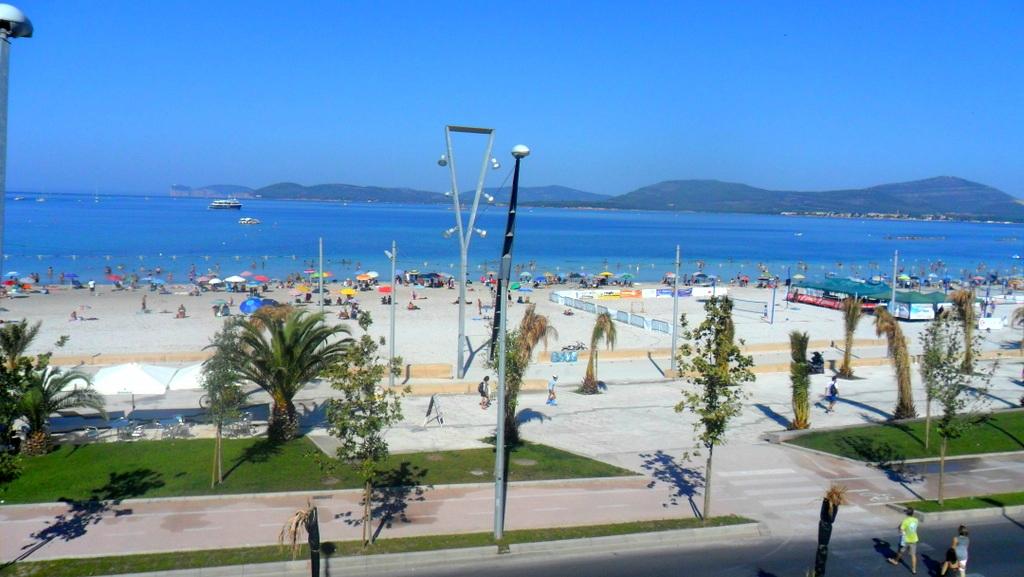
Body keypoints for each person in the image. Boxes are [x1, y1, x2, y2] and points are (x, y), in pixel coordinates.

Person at [888, 507, 920, 573]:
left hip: (906, 540)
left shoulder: (905, 521)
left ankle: (895, 561)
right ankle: (914, 569)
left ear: (906, 513)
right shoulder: (916, 520)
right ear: (913, 513)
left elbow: (901, 530)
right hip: (914, 539)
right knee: (913, 555)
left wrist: (900, 528)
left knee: (900, 551)